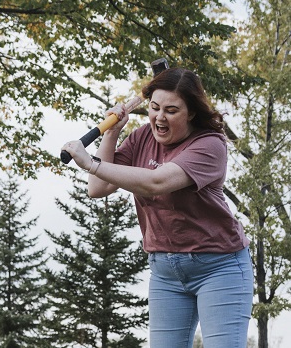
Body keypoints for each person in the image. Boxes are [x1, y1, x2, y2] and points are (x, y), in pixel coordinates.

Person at [61, 67, 254, 348]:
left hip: (219, 267)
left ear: (191, 113)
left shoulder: (210, 144)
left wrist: (91, 163)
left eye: (171, 110)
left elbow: (155, 182)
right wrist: (112, 134)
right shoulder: (142, 137)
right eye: (154, 108)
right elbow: (98, 188)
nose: (159, 118)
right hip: (165, 271)